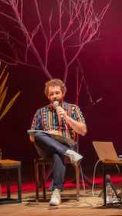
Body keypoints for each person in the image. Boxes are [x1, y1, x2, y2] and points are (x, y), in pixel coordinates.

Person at [29, 79, 87, 207]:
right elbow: (32, 138)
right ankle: (69, 153)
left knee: (57, 154)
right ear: (48, 96)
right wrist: (49, 135)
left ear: (63, 93)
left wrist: (66, 117)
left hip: (66, 144)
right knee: (38, 134)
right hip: (46, 149)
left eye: (57, 93)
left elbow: (83, 131)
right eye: (51, 94)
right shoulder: (41, 112)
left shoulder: (73, 108)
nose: (54, 96)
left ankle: (56, 192)